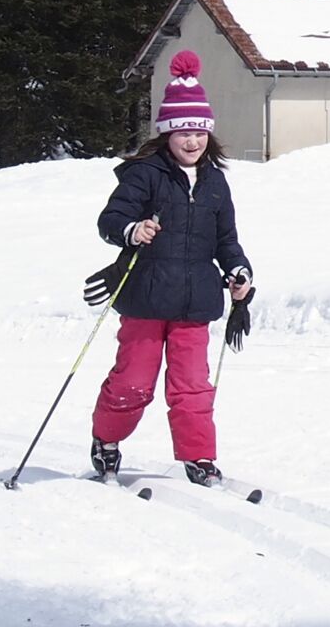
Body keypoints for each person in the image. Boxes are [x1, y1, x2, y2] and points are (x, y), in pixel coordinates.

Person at [89, 50, 254, 486]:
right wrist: (132, 230)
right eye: (183, 131)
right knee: (133, 383)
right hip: (144, 298)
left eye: (199, 131)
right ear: (166, 133)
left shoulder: (216, 182)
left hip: (194, 303)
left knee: (192, 387)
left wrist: (239, 273)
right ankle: (106, 441)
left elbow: (226, 242)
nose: (192, 141)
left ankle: (199, 458)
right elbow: (110, 220)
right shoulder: (145, 174)